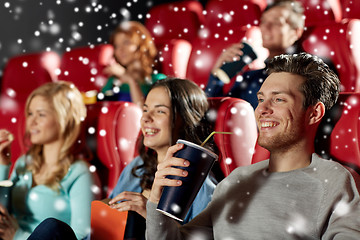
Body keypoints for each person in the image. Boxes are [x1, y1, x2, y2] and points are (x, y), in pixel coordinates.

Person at [146, 53, 360, 239]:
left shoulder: (335, 182)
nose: (262, 110)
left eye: (278, 100)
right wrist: (157, 203)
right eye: (260, 99)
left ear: (314, 113)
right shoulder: (236, 180)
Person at [27, 77, 217, 240]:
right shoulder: (138, 167)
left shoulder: (201, 185)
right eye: (145, 109)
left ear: (186, 118)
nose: (146, 118)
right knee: (51, 228)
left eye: (160, 111)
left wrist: (149, 213)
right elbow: (107, 220)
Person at [0, 81, 95, 240]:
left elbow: (81, 236)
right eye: (30, 114)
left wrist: (18, 236)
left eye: (41, 114)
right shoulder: (24, 162)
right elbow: (3, 210)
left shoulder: (80, 172)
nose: (31, 122)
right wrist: (3, 165)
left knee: (51, 226)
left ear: (63, 119)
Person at [205, 0, 305, 109]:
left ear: (296, 32)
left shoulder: (311, 73)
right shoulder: (250, 78)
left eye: (276, 22)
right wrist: (216, 76)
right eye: (263, 21)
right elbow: (214, 113)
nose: (265, 27)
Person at [98, 21, 166, 106]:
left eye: (126, 43)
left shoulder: (157, 81)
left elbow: (143, 115)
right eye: (116, 46)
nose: (120, 50)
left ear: (141, 45)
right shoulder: (112, 81)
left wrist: (131, 81)